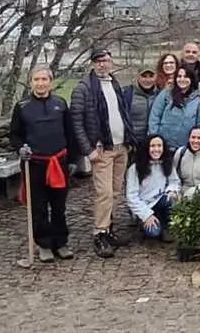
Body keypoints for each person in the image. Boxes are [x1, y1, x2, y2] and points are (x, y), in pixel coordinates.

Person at [69, 49, 134, 258]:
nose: (102, 65)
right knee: (103, 193)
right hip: (101, 150)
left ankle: (109, 229)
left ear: (111, 62)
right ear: (92, 64)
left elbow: (121, 113)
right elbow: (76, 122)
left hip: (120, 146)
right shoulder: (84, 89)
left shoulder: (114, 83)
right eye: (98, 61)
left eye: (105, 60)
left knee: (114, 192)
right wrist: (88, 150)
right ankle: (99, 233)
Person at [9, 66, 76, 262]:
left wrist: (73, 160)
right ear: (31, 82)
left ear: (51, 82)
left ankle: (60, 242)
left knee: (59, 205)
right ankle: (44, 244)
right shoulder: (22, 107)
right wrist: (20, 148)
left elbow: (69, 134)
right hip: (34, 164)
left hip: (59, 162)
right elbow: (14, 135)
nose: (40, 83)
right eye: (36, 79)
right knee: (38, 207)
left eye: (44, 79)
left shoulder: (61, 104)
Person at [124, 135, 180, 242]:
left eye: (159, 146)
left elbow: (174, 181)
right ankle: (144, 222)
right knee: (153, 232)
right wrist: (146, 215)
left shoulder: (167, 163)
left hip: (160, 201)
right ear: (147, 148)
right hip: (144, 205)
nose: (156, 149)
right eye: (152, 146)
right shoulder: (135, 169)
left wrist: (172, 190)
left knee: (173, 199)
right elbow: (131, 197)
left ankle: (165, 224)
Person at [148, 67, 200, 152]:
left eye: (186, 76)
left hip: (186, 149)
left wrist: (197, 144)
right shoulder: (166, 94)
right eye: (179, 76)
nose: (182, 79)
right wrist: (155, 139)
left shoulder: (199, 99)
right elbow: (155, 116)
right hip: (164, 147)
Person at [122, 68, 159, 152]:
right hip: (131, 143)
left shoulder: (159, 95)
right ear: (138, 77)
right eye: (144, 76)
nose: (147, 80)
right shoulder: (128, 93)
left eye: (151, 76)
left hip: (151, 143)